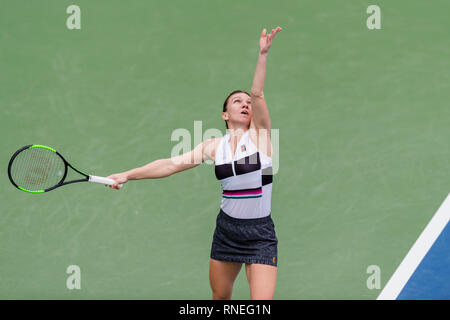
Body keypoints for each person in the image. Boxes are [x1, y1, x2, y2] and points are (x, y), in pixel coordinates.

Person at [107, 26, 282, 299]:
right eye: (237, 101)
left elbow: (258, 93)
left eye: (247, 102)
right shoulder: (214, 146)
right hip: (227, 231)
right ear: (225, 114)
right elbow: (171, 164)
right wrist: (127, 175)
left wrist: (263, 54)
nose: (245, 104)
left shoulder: (261, 137)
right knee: (220, 298)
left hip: (260, 234)